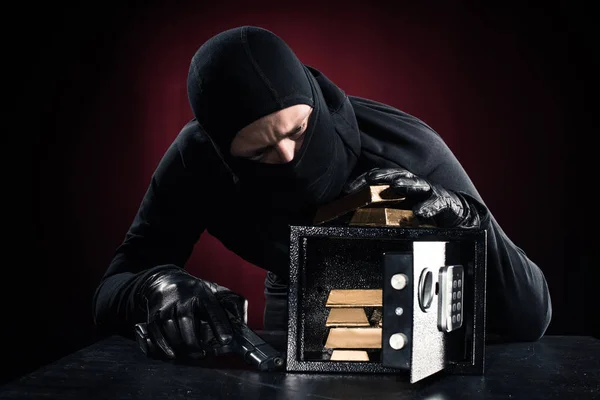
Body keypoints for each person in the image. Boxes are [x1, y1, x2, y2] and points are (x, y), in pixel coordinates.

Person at [92, 26, 552, 360]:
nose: (290, 156)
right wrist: (156, 287)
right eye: (261, 150)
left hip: (408, 298)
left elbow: (532, 314)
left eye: (298, 130)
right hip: (294, 291)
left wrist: (472, 225)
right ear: (220, 148)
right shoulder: (194, 162)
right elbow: (112, 287)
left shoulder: (402, 147)